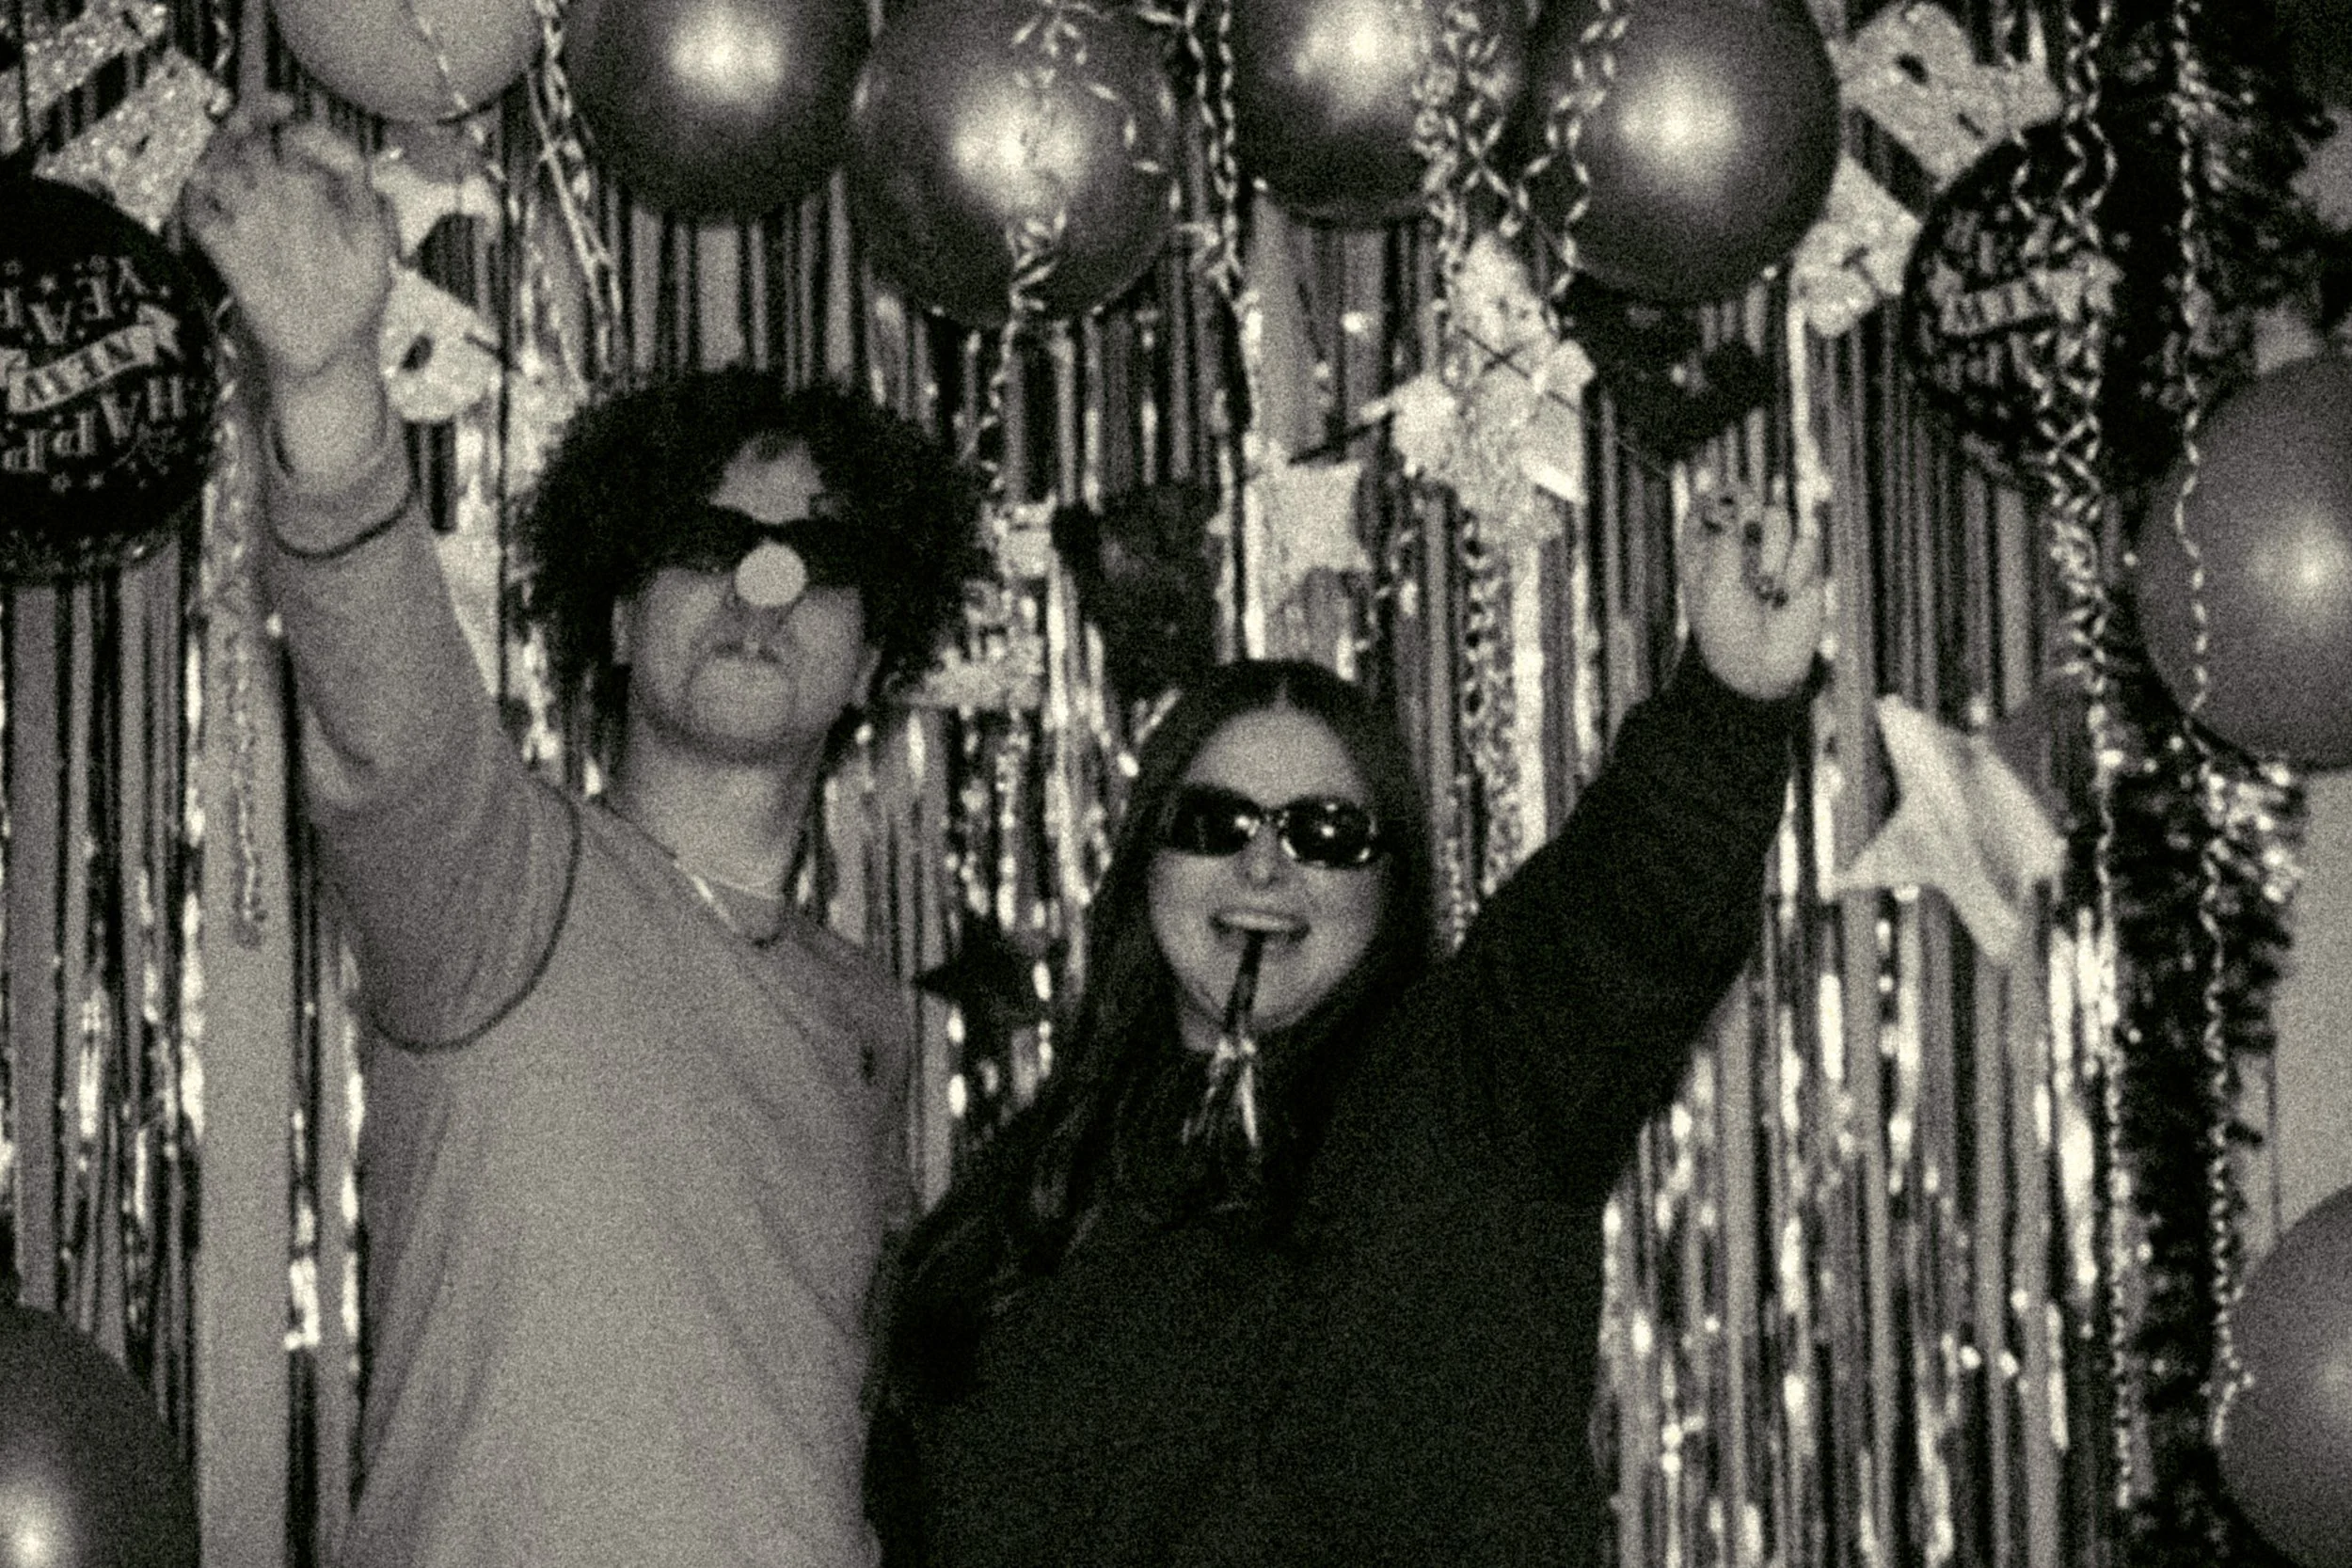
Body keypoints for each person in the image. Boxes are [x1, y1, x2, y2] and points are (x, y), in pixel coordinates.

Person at [183, 102, 987, 1568]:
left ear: (875, 657)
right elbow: (394, 725)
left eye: (817, 559)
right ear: (618, 616)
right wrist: (326, 391)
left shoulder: (875, 1022)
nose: (759, 583)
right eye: (703, 544)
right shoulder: (501, 888)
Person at [864, 496, 1824, 1566]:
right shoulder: (1019, 1208)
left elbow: (1620, 923)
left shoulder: (1466, 1095)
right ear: (1145, 866)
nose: (1264, 865)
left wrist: (1729, 705)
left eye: (1325, 831)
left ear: (1389, 879)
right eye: (1215, 821)